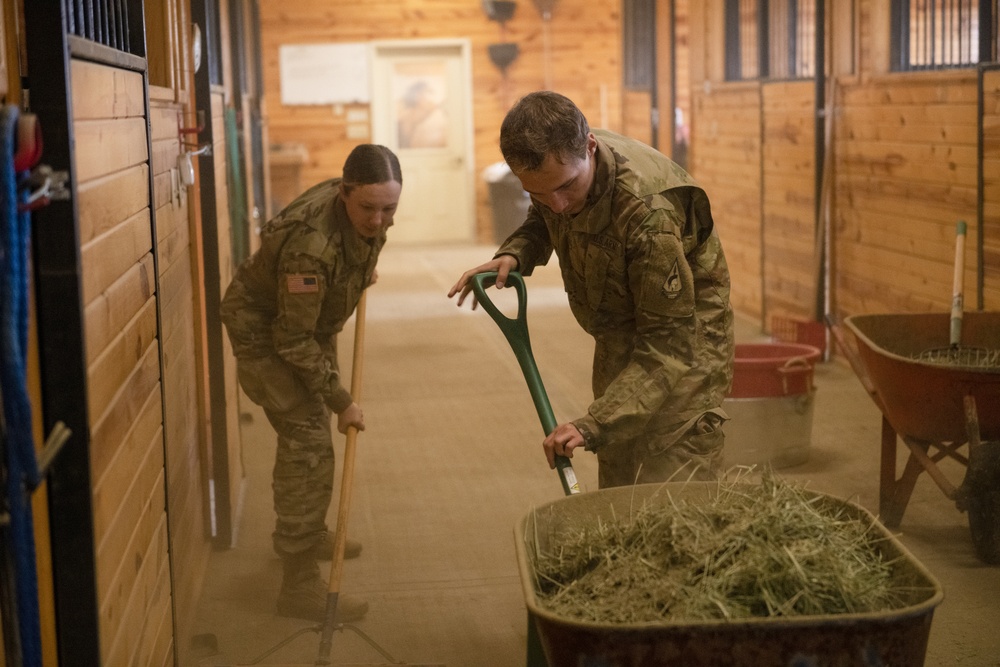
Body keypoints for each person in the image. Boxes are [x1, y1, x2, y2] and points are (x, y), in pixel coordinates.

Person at [449, 91, 734, 489]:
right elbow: (547, 212)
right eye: (538, 192)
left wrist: (593, 423)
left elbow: (669, 346)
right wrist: (516, 253)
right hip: (620, 323)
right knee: (619, 461)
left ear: (590, 147)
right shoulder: (560, 164)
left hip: (685, 339)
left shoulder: (649, 217)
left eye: (566, 187)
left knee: (674, 475)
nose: (559, 205)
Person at [220, 144, 402, 623]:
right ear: (343, 194)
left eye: (390, 210)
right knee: (308, 439)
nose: (379, 220)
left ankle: (309, 531)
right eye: (368, 209)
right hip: (265, 330)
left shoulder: (360, 205)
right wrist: (343, 400)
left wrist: (360, 266)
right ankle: (298, 583)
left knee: (315, 420)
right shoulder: (311, 250)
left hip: (308, 323)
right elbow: (292, 339)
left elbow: (359, 241)